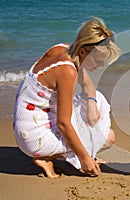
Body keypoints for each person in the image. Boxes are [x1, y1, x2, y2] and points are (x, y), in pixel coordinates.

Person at [13, 17, 121, 178]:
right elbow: (63, 123)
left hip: (27, 122)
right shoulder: (67, 71)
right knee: (108, 138)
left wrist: (91, 103)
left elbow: (87, 85)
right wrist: (84, 158)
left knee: (97, 99)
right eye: (98, 60)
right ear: (84, 51)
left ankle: (60, 153)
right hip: (34, 136)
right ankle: (45, 157)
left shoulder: (64, 49)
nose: (100, 65)